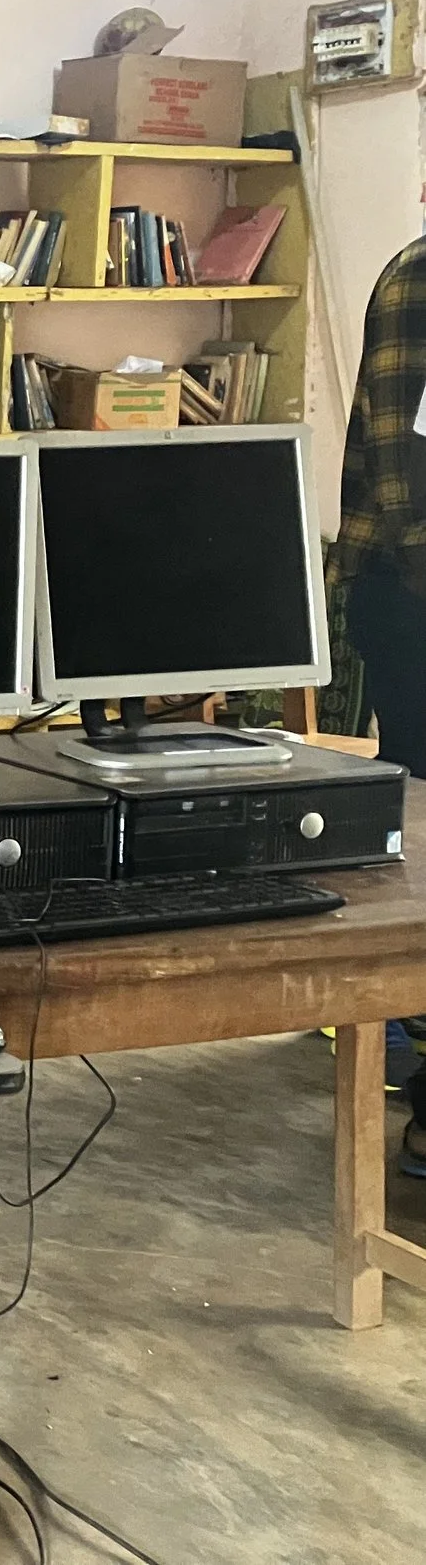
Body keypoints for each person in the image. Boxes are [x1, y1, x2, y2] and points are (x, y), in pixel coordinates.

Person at [339, 231, 426, 1171]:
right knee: (418, 809)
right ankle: (391, 1013)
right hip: (408, 586)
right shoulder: (417, 278)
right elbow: (404, 474)